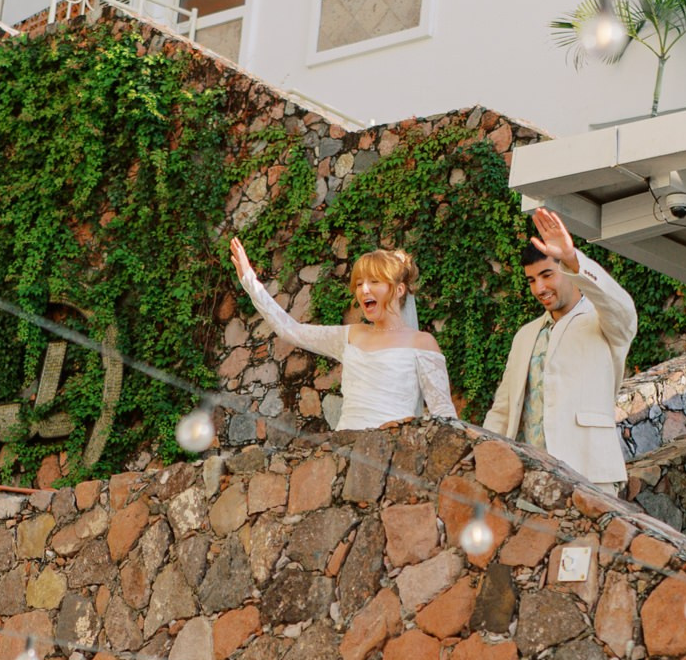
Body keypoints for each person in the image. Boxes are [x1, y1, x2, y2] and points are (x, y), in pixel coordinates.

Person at [481, 205, 637, 490]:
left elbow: (623, 309)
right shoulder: (524, 335)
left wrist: (573, 259)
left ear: (566, 270)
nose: (539, 288)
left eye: (547, 275)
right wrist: (485, 458)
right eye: (531, 280)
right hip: (527, 477)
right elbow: (503, 408)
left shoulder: (604, 322)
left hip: (588, 472)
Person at [229, 237, 458, 430]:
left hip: (394, 452)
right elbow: (291, 330)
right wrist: (250, 281)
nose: (363, 290)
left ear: (399, 290)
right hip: (345, 448)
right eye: (359, 284)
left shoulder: (422, 343)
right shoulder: (351, 336)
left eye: (374, 281)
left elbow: (445, 415)